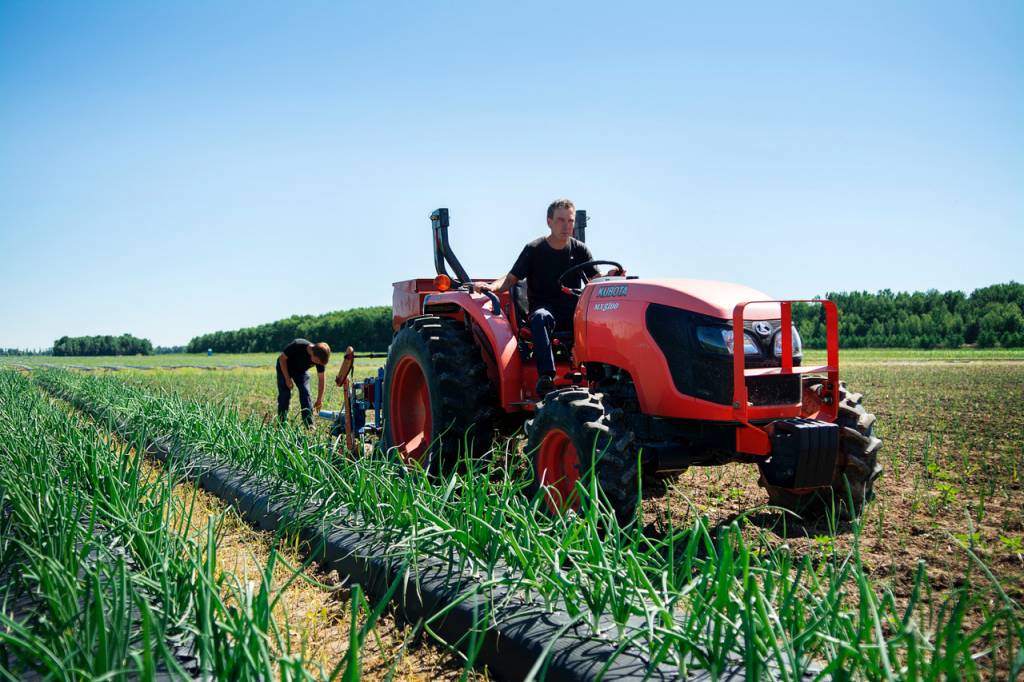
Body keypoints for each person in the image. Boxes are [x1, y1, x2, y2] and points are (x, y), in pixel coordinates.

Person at [473, 199, 621, 396]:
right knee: (541, 317)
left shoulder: (580, 250)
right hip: (545, 307)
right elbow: (510, 279)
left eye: (570, 221)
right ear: (549, 221)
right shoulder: (535, 249)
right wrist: (491, 287)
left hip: (572, 309)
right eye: (561, 220)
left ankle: (601, 378)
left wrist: (611, 275)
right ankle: (546, 377)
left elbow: (596, 280)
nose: (566, 226)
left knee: (599, 317)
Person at [277, 339, 331, 426]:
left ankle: (309, 425)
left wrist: (319, 400)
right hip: (285, 367)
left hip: (301, 371)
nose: (317, 364)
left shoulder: (319, 358)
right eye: (316, 361)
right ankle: (282, 423)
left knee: (306, 393)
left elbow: (321, 379)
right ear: (312, 353)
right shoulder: (298, 345)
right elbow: (282, 358)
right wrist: (287, 379)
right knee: (285, 395)